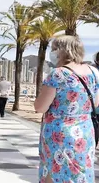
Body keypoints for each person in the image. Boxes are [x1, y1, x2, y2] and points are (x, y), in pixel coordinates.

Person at [34, 35, 98, 183]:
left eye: (55, 49)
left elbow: (40, 107)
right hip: (85, 132)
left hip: (60, 134)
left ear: (63, 51)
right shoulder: (94, 72)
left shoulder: (58, 74)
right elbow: (96, 102)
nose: (53, 52)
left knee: (56, 172)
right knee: (81, 172)